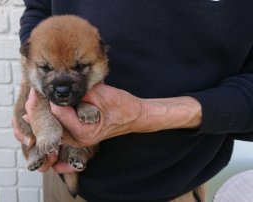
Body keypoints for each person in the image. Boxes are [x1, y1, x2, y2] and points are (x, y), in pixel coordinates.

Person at [13, 1, 253, 201]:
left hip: (174, 186)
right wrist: (34, 75)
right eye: (46, 68)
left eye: (80, 67)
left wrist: (145, 114)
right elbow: (39, 8)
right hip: (63, 182)